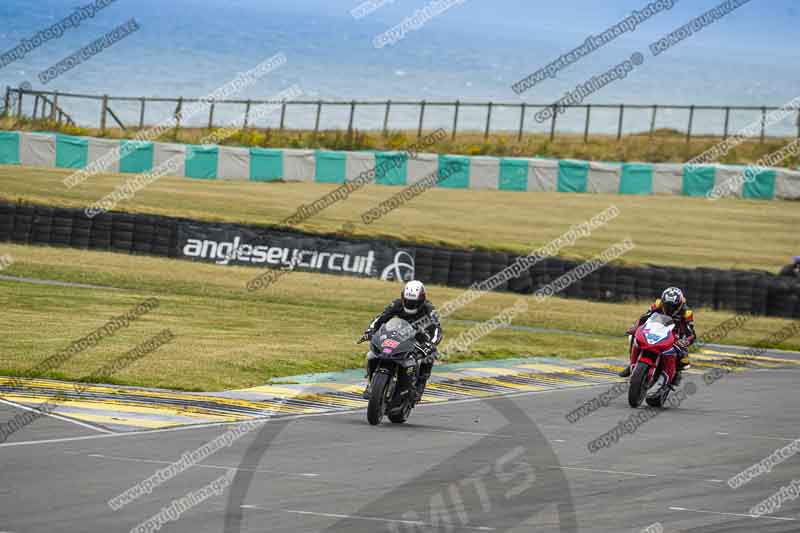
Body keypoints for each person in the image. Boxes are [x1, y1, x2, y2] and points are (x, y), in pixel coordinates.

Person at [360, 280, 442, 400]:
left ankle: (419, 385)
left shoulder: (429, 309)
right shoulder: (396, 304)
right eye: (407, 301)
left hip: (420, 337)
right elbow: (381, 318)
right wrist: (370, 331)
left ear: (422, 299)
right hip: (399, 332)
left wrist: (431, 344)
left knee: (429, 356)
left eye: (413, 302)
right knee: (372, 354)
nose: (410, 304)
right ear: (403, 297)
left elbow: (437, 330)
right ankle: (371, 383)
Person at [619, 287, 695, 387]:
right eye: (667, 305)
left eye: (673, 306)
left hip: (676, 335)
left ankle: (676, 373)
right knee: (632, 337)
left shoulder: (686, 313)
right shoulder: (658, 304)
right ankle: (632, 364)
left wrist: (684, 341)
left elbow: (691, 334)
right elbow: (644, 318)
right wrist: (635, 328)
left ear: (680, 304)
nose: (669, 308)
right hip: (657, 329)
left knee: (683, 359)